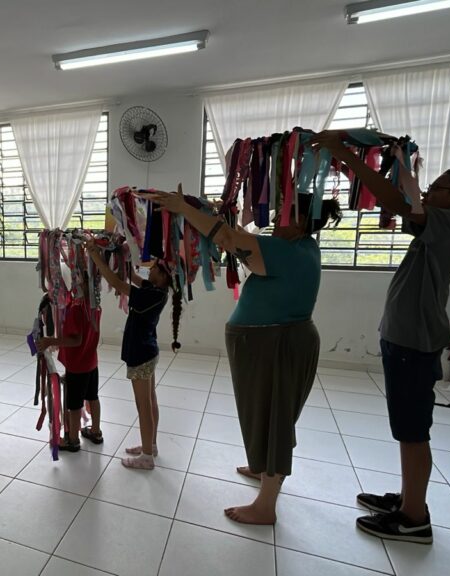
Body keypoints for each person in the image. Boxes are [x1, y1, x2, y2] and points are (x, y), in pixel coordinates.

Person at [312, 131, 450, 545]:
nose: (429, 192)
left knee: (411, 431)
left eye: (438, 187)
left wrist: (350, 158)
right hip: (406, 337)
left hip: (413, 341)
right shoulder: (441, 225)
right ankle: (409, 499)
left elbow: (395, 200)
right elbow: (402, 203)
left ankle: (413, 519)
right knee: (408, 428)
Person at [146, 184, 341, 525]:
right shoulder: (300, 245)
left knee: (273, 419)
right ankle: (262, 465)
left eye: (283, 208)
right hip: (272, 343)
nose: (276, 213)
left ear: (298, 219)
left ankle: (265, 506)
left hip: (276, 345)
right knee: (265, 414)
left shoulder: (286, 250)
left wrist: (182, 208)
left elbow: (228, 239)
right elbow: (232, 236)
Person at [86, 240, 182, 470]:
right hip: (147, 351)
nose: (149, 270)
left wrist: (95, 256)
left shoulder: (153, 295)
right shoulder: (155, 290)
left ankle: (147, 456)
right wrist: (120, 254)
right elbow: (131, 277)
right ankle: (152, 445)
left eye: (155, 269)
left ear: (162, 277)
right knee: (150, 401)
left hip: (141, 354)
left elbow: (118, 284)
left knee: (143, 406)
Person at [37, 279, 103, 452]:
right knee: (93, 397)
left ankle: (73, 440)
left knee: (74, 404)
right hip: (91, 362)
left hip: (78, 365)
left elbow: (76, 340)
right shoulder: (94, 306)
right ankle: (95, 432)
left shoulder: (76, 309)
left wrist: (51, 340)